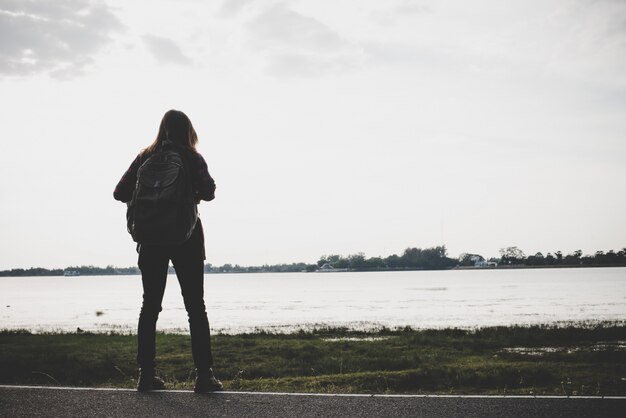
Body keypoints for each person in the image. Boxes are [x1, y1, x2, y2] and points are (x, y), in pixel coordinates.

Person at [113, 109, 223, 393]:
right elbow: (209, 191)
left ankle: (146, 376)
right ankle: (204, 376)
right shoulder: (191, 157)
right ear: (188, 130)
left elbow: (120, 192)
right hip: (185, 237)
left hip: (150, 239)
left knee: (150, 307)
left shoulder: (144, 158)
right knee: (195, 307)